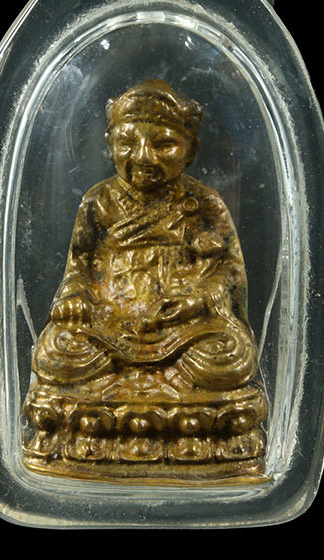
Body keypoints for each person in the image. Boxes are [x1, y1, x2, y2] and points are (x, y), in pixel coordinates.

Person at [23, 79, 268, 481]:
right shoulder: (98, 201)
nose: (142, 156)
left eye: (163, 144)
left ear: (191, 151)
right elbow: (79, 268)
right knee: (56, 353)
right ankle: (177, 425)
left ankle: (114, 421)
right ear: (109, 144)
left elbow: (229, 272)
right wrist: (75, 298)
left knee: (231, 356)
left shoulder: (204, 203)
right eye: (127, 142)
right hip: (110, 324)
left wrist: (197, 301)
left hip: (182, 329)